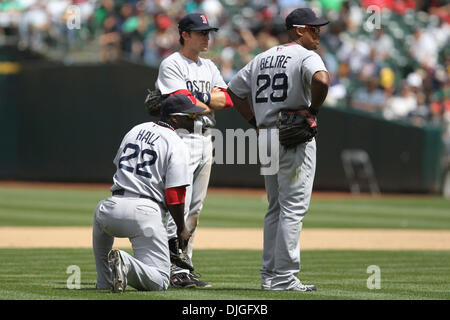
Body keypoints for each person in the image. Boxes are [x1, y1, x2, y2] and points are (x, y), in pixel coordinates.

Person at [227, 8, 330, 291]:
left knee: (275, 208)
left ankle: (270, 276)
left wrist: (253, 121)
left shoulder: (262, 57)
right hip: (293, 137)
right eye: (313, 28)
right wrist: (313, 110)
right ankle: (284, 277)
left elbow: (233, 92)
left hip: (267, 137)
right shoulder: (306, 56)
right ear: (298, 30)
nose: (318, 32)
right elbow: (321, 80)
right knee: (293, 209)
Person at [92, 94, 208, 293]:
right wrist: (181, 228)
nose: (194, 119)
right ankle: (126, 264)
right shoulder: (176, 143)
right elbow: (174, 194)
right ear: (173, 118)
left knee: (99, 215)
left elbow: (118, 164)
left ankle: (105, 280)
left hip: (110, 208)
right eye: (189, 116)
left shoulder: (135, 130)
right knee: (161, 280)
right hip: (144, 213)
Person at [155, 12, 234, 288]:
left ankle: (184, 265)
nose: (206, 37)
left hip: (205, 138)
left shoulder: (209, 66)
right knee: (179, 203)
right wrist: (204, 100)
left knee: (195, 210)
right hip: (180, 137)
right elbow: (180, 103)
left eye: (208, 32)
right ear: (185, 35)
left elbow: (226, 100)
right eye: (201, 32)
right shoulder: (171, 64)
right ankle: (169, 267)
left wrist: (198, 99)